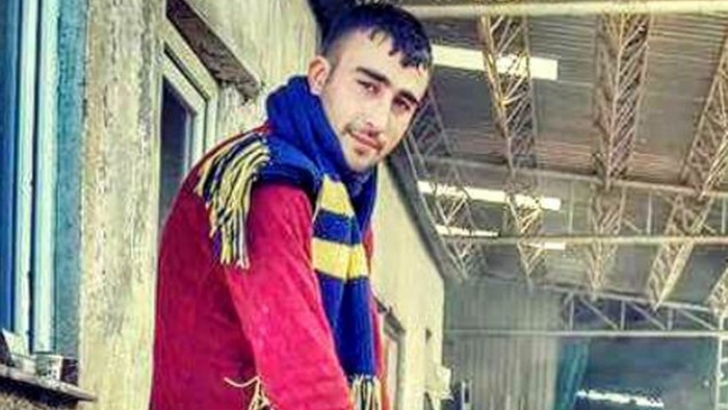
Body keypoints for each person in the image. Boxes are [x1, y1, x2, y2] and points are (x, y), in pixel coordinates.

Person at [150, 3, 432, 409]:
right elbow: (305, 379)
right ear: (319, 76)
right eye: (368, 86)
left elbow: (363, 366)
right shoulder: (268, 182)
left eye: (401, 104)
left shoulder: (343, 211)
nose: (379, 120)